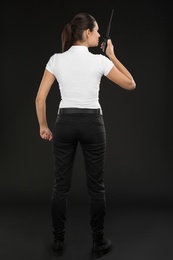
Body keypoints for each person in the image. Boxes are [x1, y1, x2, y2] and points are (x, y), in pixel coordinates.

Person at [35, 12, 136, 257]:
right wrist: (111, 55)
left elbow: (40, 98)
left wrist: (44, 126)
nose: (100, 35)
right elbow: (130, 83)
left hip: (65, 123)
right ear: (88, 33)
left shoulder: (56, 59)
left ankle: (58, 241)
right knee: (96, 187)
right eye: (97, 31)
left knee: (60, 186)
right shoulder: (99, 61)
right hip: (92, 124)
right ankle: (98, 241)